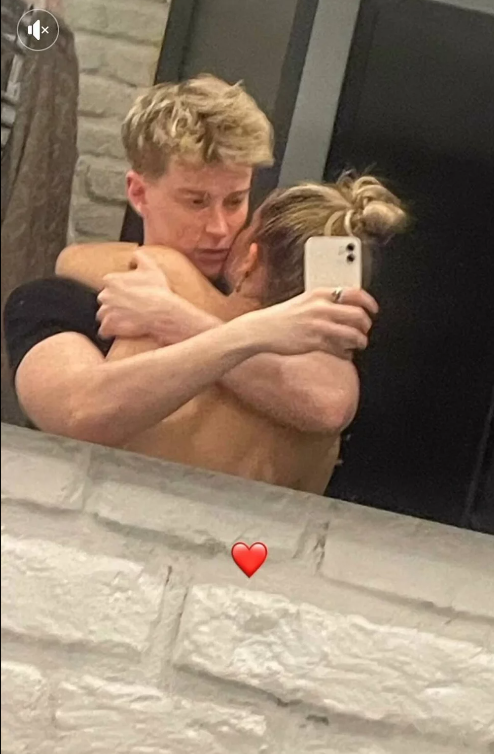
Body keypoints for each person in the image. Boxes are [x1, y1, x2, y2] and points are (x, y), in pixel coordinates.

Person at [3, 75, 398, 477]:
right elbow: (77, 413)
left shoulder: (271, 301)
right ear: (138, 193)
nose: (219, 228)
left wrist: (175, 317)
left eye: (235, 201)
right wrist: (247, 332)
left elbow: (329, 401)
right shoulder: (59, 302)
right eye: (196, 201)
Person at [52, 174, 407, 493]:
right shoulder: (321, 417)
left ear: (250, 261)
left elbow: (71, 259)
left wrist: (173, 314)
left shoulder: (170, 278)